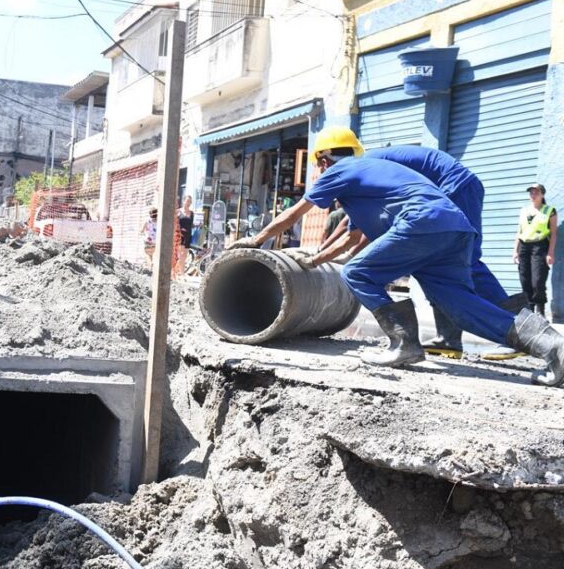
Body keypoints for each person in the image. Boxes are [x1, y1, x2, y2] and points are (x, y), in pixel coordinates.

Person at [226, 126, 564, 386]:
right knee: (462, 307)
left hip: (427, 219)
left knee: (357, 273)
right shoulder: (372, 185)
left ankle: (405, 344)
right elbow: (352, 238)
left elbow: (296, 214)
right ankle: (553, 348)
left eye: (319, 166)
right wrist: (315, 261)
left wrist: (256, 241)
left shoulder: (344, 171)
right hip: (452, 227)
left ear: (324, 161)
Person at [367, 145, 524, 359]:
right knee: (438, 262)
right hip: (452, 189)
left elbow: (357, 229)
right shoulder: (370, 165)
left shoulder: (367, 165)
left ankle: (520, 332)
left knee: (466, 261)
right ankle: (448, 339)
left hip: (456, 187)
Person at [515, 183, 557, 317]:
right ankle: (529, 311)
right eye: (531, 192)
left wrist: (550, 253)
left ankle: (540, 311)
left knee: (538, 280)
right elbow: (519, 232)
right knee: (524, 280)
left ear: (542, 194)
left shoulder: (550, 211)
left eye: (536, 192)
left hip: (540, 247)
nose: (533, 195)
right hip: (524, 247)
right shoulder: (523, 210)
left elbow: (554, 234)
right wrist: (515, 251)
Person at [176, 196, 194, 274]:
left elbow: (191, 224)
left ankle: (180, 272)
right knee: (180, 255)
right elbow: (175, 223)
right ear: (183, 201)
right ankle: (179, 272)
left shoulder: (192, 213)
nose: (188, 203)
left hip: (188, 235)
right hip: (180, 235)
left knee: (184, 256)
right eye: (187, 201)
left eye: (190, 201)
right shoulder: (178, 212)